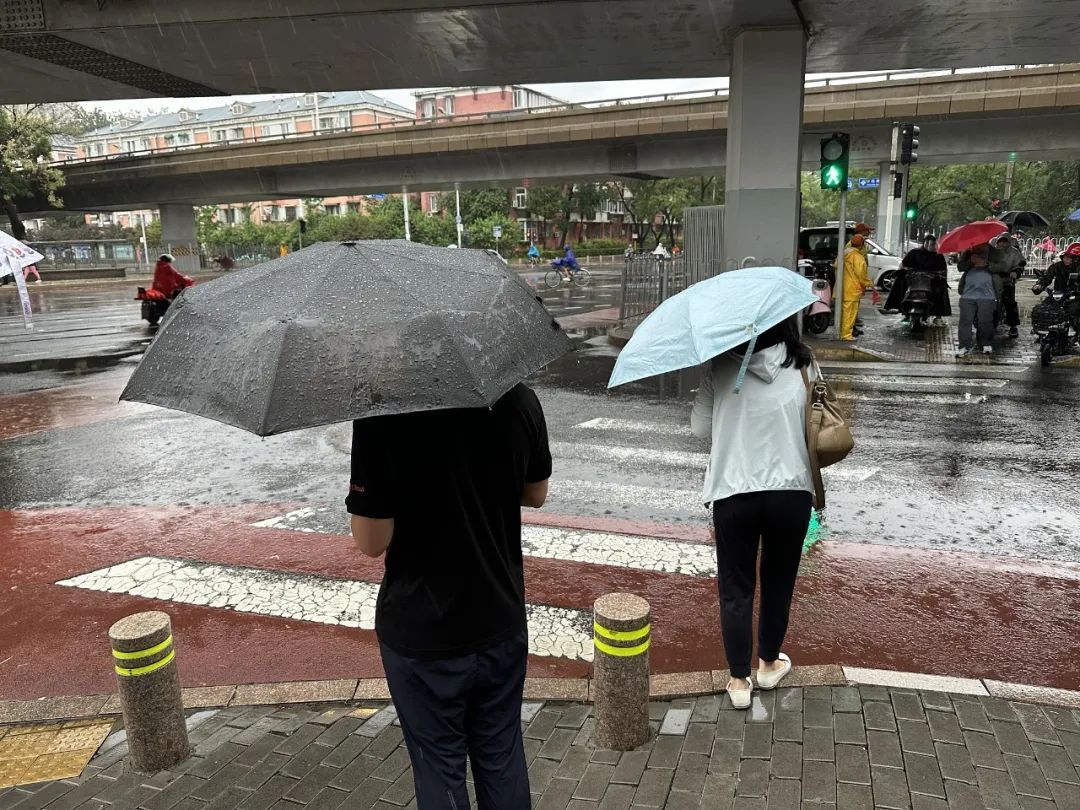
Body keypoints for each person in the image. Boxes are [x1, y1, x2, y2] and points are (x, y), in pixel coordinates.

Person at [347, 383, 551, 809]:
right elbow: (536, 493)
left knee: (438, 766)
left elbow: (371, 540)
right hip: (499, 615)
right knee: (502, 754)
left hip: (422, 631)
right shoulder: (518, 398)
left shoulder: (383, 412)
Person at [690, 316, 815, 708]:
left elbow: (699, 429)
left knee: (736, 587)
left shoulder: (723, 365)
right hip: (790, 491)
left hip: (734, 492)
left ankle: (739, 681)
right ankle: (769, 663)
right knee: (779, 581)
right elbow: (815, 419)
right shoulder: (804, 363)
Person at [886, 233, 951, 325]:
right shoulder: (914, 252)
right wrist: (901, 271)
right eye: (928, 243)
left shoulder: (938, 256)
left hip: (930, 280)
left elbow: (943, 270)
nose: (929, 246)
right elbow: (903, 264)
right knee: (901, 283)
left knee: (940, 289)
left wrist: (941, 278)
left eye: (932, 244)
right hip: (914, 278)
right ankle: (903, 310)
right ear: (924, 243)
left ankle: (938, 314)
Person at [956, 244, 996, 357]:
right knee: (965, 321)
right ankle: (964, 346)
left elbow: (1002, 266)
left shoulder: (993, 251)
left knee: (985, 320)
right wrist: (970, 261)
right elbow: (960, 267)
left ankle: (986, 343)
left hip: (987, 294)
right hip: (968, 293)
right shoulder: (968, 251)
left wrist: (986, 264)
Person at [989, 232, 1025, 337]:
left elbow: (1020, 264)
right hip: (994, 280)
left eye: (1005, 242)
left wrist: (1016, 272)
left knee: (1010, 303)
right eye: (1001, 242)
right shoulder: (992, 251)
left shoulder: (1015, 252)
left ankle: (1013, 326)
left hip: (1008, 280)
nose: (1002, 244)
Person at [839, 234, 872, 341]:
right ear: (861, 245)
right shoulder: (857, 257)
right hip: (853, 288)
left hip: (842, 287)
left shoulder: (843, 253)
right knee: (850, 313)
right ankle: (846, 335)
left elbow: (836, 266)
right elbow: (861, 273)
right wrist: (869, 283)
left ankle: (843, 332)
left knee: (844, 311)